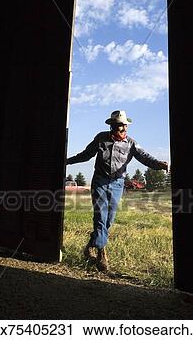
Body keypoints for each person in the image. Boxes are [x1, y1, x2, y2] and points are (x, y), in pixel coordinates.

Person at [66, 110, 168, 272]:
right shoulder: (101, 138)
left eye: (125, 126)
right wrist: (67, 161)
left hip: (118, 183)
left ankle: (89, 247)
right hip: (100, 180)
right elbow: (86, 155)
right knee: (100, 215)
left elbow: (145, 157)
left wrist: (159, 165)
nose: (124, 129)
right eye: (120, 126)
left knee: (109, 219)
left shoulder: (131, 143)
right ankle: (101, 253)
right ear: (112, 126)